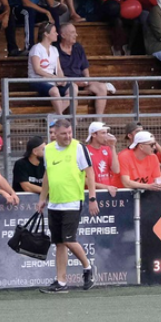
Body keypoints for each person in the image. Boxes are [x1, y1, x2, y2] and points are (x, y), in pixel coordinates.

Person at [35, 119, 100, 293]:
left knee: (68, 239)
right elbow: (47, 175)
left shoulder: (78, 147)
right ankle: (61, 281)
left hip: (72, 201)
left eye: (70, 132)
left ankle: (88, 267)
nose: (68, 136)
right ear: (55, 134)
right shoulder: (48, 150)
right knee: (59, 243)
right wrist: (42, 198)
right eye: (64, 134)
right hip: (54, 203)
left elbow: (90, 173)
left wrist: (92, 198)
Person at [28, 22, 68, 116]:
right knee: (54, 90)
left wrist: (61, 79)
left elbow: (59, 69)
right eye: (54, 32)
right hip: (37, 80)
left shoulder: (54, 49)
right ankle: (60, 118)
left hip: (51, 80)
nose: (57, 34)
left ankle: (54, 116)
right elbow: (37, 70)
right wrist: (54, 77)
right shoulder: (36, 48)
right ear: (46, 34)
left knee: (73, 88)